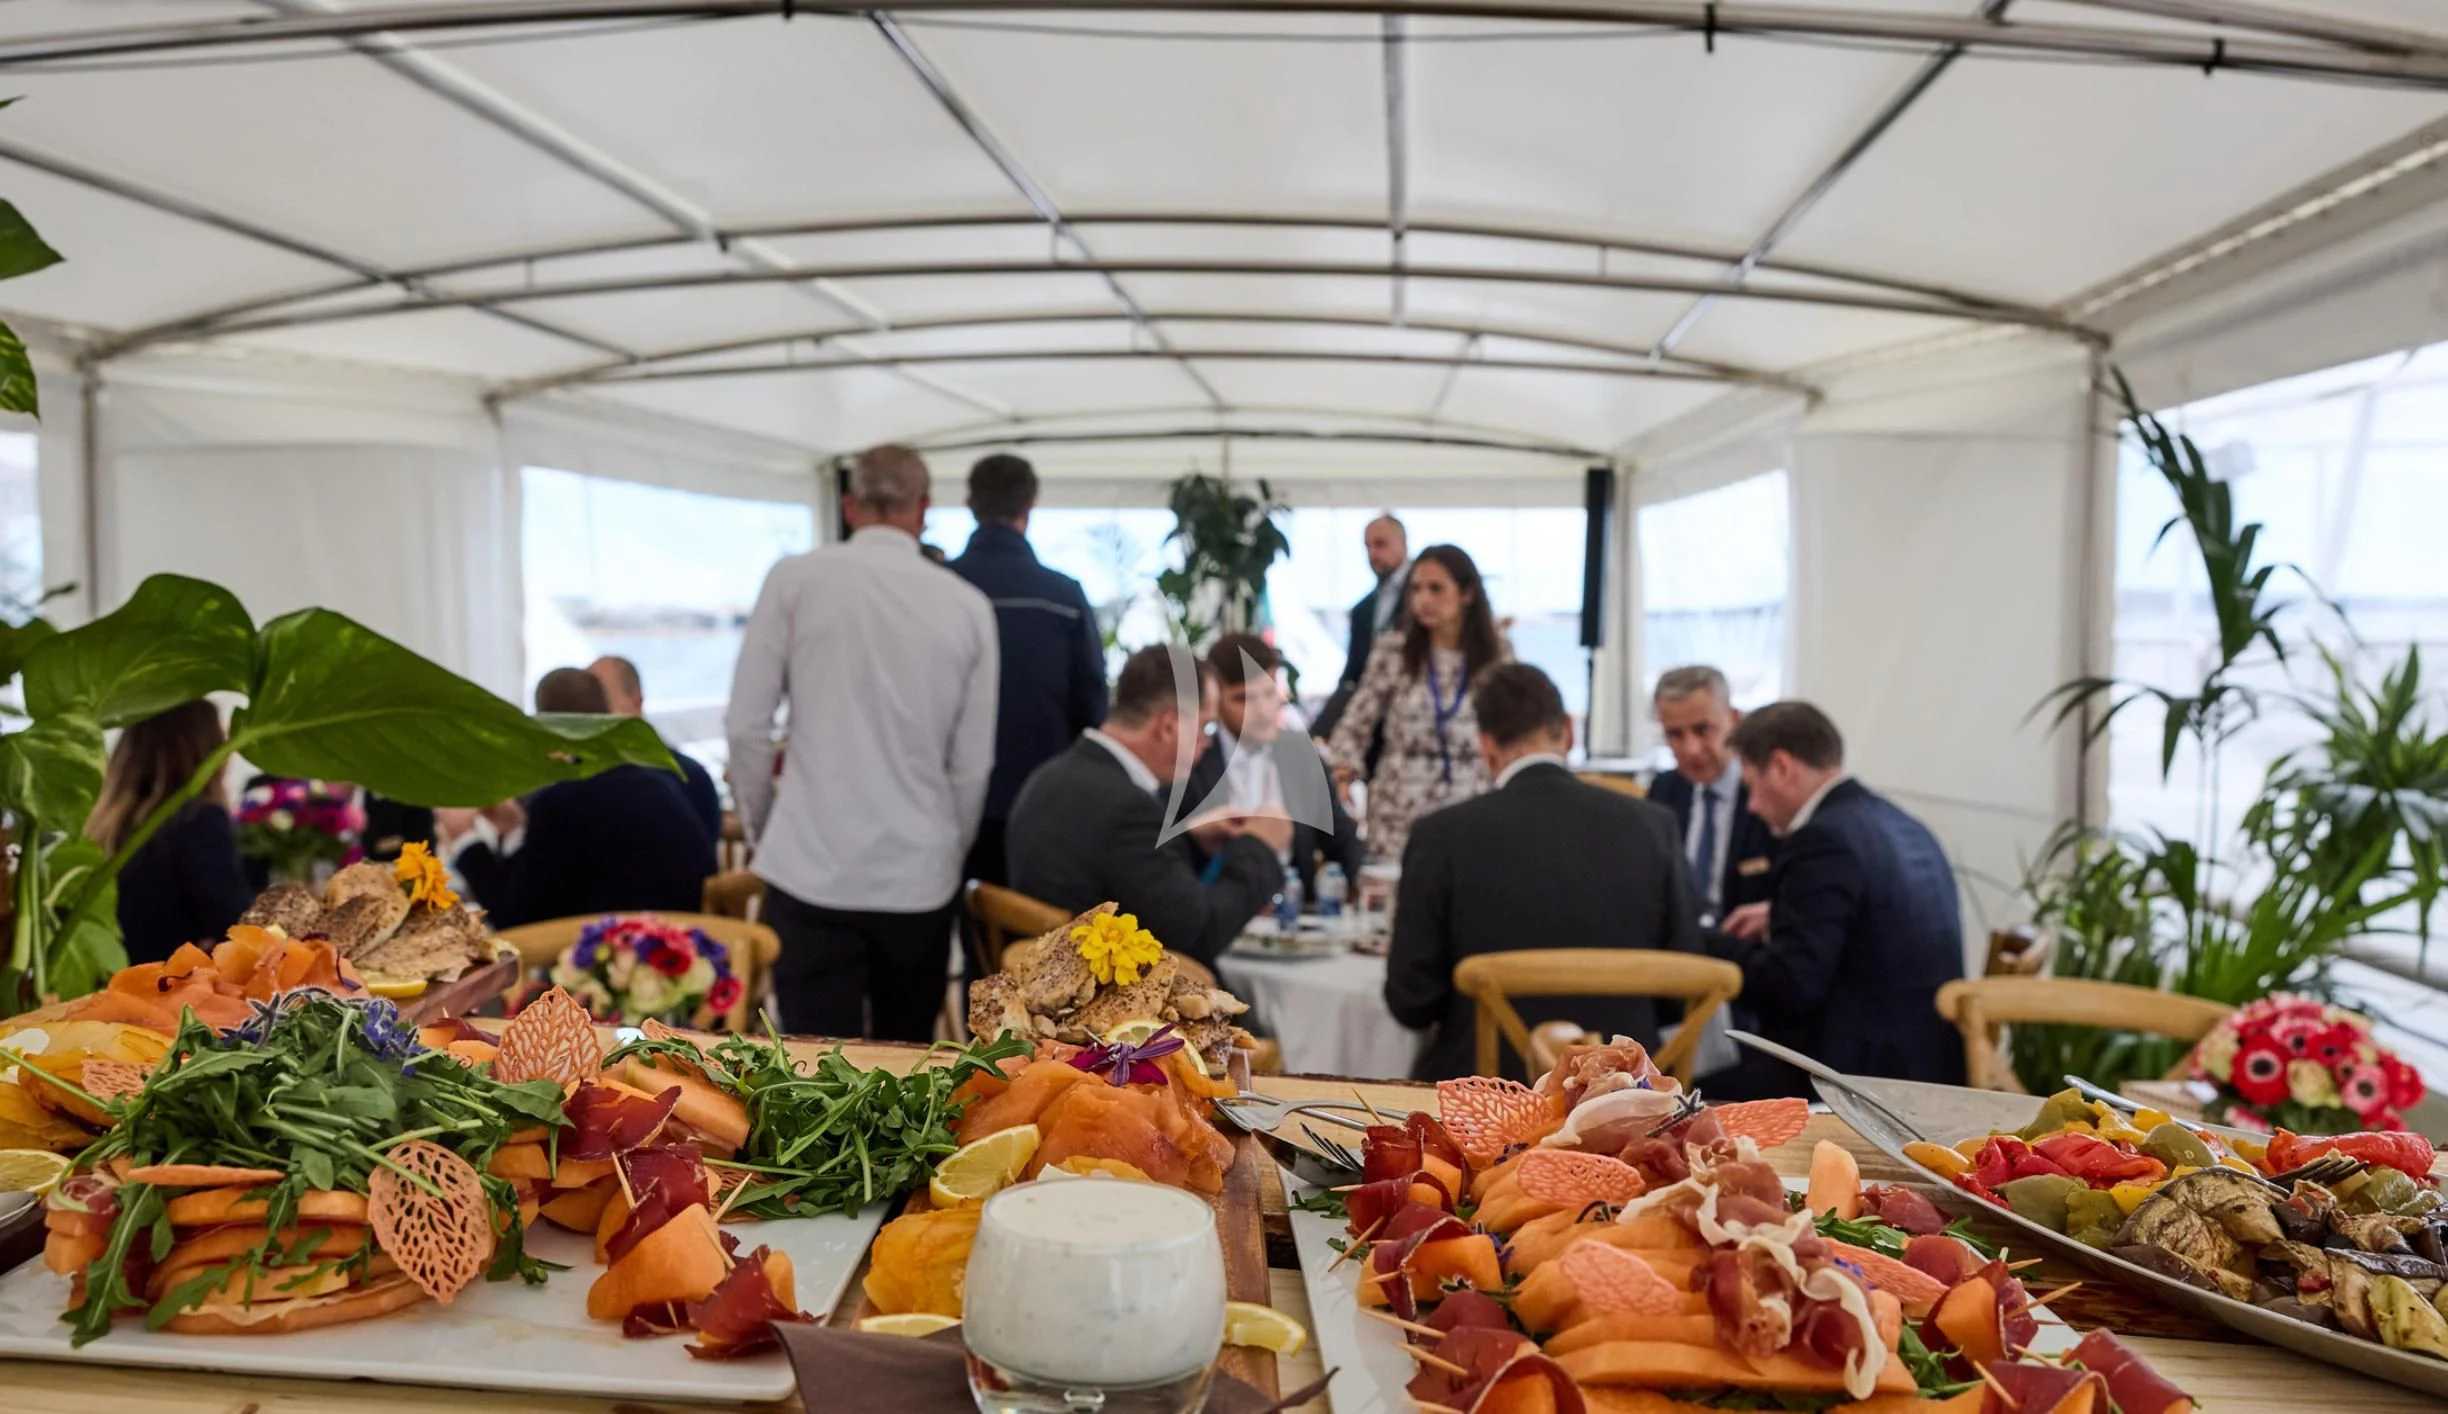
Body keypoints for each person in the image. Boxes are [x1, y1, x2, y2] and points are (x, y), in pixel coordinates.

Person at [726, 443, 999, 1042]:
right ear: (923, 508)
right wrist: (944, 848)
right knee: (907, 1068)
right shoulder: (969, 607)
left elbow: (746, 728)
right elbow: (972, 765)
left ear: (850, 506)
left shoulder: (794, 580)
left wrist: (767, 830)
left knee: (810, 1068)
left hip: (809, 865)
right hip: (919, 874)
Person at [1385, 665, 1700, 1081]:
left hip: (1485, 1094)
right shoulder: (1654, 826)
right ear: (1568, 731)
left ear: (1486, 746)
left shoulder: (1440, 835)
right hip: (1626, 1094)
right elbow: (1681, 992)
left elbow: (1411, 1000)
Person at [1699, 701, 1966, 1098]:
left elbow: (1790, 987)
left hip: (1856, 1082)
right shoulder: (1902, 823)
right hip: (1930, 1066)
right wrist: (1778, 915)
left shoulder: (1822, 839)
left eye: (1751, 785)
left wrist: (1705, 942)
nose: (1751, 806)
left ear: (1782, 766)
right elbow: (1876, 920)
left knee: (1676, 1096)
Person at [1007, 645, 1290, 966]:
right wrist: (1260, 847)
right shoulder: (1129, 810)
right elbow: (1199, 934)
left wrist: (1188, 837)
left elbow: (1121, 871)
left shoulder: (1051, 776)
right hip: (1105, 991)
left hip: (1048, 978)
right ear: (1169, 727)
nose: (1207, 742)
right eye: (1205, 727)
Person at [947, 452, 1109, 896]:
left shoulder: (939, 589)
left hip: (947, 804)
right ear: (1030, 506)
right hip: (1043, 803)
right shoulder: (1062, 597)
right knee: (1034, 931)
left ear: (970, 504)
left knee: (966, 926)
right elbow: (1092, 708)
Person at [438, 669, 714, 928]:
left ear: (545, 728)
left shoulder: (562, 802)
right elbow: (536, 885)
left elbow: (516, 917)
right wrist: (513, 830)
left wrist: (465, 838)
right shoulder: (658, 784)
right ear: (608, 714)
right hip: (680, 940)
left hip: (602, 951)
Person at [1324, 543, 1509, 862]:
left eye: (1436, 589)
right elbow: (1357, 720)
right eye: (1416, 589)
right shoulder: (1393, 651)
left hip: (1472, 800)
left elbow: (1512, 728)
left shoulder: (1496, 656)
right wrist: (1344, 770)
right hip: (1400, 806)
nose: (1423, 599)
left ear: (1467, 594)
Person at [1180, 632, 1361, 901]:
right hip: (1217, 908)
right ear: (1216, 700)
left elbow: (1343, 841)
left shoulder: (1301, 755)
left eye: (1269, 693)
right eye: (1245, 699)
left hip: (1297, 910)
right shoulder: (1192, 763)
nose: (1263, 711)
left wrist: (1369, 882)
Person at [87, 700, 254, 966]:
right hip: (169, 983)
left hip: (111, 980)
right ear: (205, 750)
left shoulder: (105, 822)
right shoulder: (197, 818)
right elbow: (235, 923)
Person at [1646, 665, 1781, 931]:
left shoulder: (1768, 791)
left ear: (1734, 720)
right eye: (1675, 734)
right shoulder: (1663, 791)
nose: (1691, 750)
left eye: (1703, 729)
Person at [587, 654, 723, 845]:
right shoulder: (575, 780)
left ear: (636, 702)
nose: (589, 716)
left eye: (602, 703)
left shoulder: (686, 778)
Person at [1312, 512, 1410, 742]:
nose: (1373, 554)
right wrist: (1322, 728)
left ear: (1403, 544)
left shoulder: (1423, 600)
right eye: (1367, 546)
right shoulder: (1362, 610)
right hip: (1373, 725)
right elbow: (1353, 676)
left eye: (1381, 544)